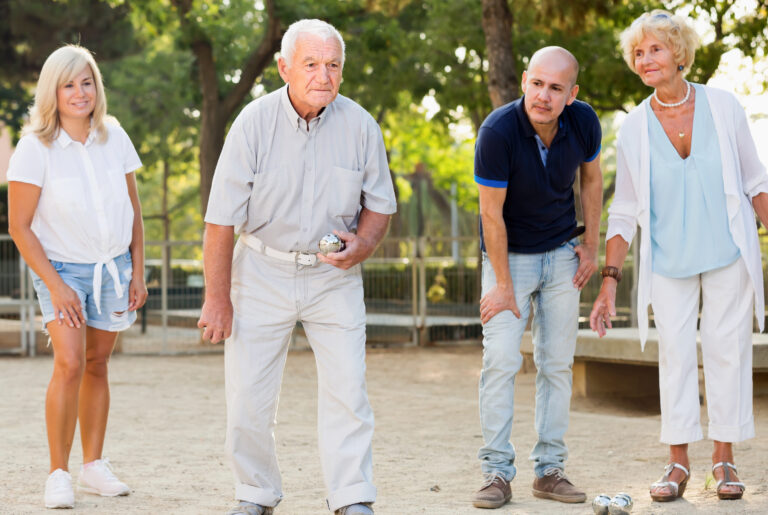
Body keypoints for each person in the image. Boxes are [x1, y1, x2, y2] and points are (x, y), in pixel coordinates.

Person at [197, 19, 396, 515]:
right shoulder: (252, 123)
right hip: (261, 270)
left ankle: (352, 498)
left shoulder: (361, 126)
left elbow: (380, 206)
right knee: (248, 395)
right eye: (311, 64)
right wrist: (217, 298)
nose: (323, 76)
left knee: (349, 390)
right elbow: (220, 221)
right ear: (284, 68)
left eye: (333, 65)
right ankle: (255, 494)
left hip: (334, 277)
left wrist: (363, 245)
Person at [589, 9, 768, 503]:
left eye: (656, 49)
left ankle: (724, 460)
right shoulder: (634, 128)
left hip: (727, 251)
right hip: (668, 259)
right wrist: (609, 281)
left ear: (679, 53)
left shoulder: (723, 106)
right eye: (638, 52)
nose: (646, 59)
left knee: (727, 349)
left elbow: (756, 182)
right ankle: (678, 462)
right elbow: (625, 209)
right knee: (674, 354)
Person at [7, 45, 147, 509]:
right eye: (69, 84)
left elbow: (134, 211)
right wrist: (57, 285)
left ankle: (93, 466)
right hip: (61, 270)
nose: (80, 92)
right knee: (69, 364)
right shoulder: (34, 148)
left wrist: (138, 272)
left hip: (114, 267)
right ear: (53, 91)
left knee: (97, 363)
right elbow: (19, 227)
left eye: (87, 82)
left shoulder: (115, 136)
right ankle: (58, 473)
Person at [471, 46, 602, 508]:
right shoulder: (497, 132)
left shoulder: (584, 121)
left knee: (557, 364)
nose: (543, 96)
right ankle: (496, 472)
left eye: (555, 88)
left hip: (562, 254)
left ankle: (549, 470)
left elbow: (591, 180)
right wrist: (503, 285)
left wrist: (591, 245)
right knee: (501, 360)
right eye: (537, 83)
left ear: (572, 94)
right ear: (525, 79)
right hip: (508, 258)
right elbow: (491, 215)